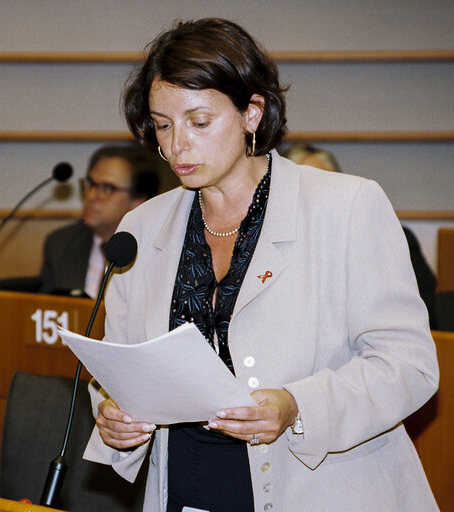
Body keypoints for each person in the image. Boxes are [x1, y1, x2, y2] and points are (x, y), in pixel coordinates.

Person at [83, 18, 439, 512]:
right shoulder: (142, 227)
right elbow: (119, 364)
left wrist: (296, 407)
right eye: (163, 125)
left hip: (323, 488)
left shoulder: (346, 205)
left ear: (252, 112)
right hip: (186, 486)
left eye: (199, 122)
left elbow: (408, 366)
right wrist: (112, 413)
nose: (176, 146)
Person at [281, 142, 439, 328]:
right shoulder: (274, 244)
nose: (312, 198)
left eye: (320, 186)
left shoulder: (386, 236)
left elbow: (415, 319)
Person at [38, 144, 163, 297]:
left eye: (106, 188)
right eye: (90, 184)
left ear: (139, 201)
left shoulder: (159, 251)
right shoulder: (60, 243)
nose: (91, 196)